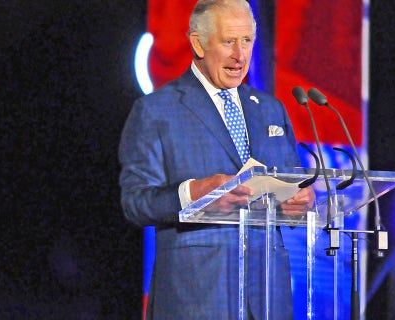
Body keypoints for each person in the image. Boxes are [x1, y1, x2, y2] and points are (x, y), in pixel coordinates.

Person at [118, 0, 315, 318]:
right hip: (197, 296)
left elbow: (288, 189)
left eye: (247, 41)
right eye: (229, 42)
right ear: (198, 43)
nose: (240, 55)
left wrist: (298, 204)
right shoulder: (156, 111)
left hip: (268, 297)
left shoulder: (270, 109)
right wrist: (193, 194)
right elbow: (136, 203)